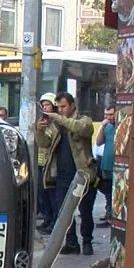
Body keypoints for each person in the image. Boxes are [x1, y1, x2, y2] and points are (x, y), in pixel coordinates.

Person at [43, 92, 97, 255]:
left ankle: (87, 241)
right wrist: (40, 129)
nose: (61, 110)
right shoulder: (56, 125)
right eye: (58, 107)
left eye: (64, 106)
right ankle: (71, 242)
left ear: (72, 105)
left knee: (85, 210)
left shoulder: (83, 120)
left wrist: (58, 118)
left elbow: (83, 129)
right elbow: (44, 143)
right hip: (62, 175)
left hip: (82, 173)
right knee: (63, 211)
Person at [33, 93, 58, 233]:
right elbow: (41, 143)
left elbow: (50, 142)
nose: (45, 108)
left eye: (47, 105)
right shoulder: (43, 121)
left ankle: (53, 222)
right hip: (42, 163)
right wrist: (39, 129)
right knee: (43, 195)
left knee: (53, 196)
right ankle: (47, 219)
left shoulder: (57, 123)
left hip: (53, 165)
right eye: (43, 106)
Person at [94, 106, 116, 225]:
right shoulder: (107, 126)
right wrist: (102, 126)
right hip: (106, 163)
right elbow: (98, 142)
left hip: (116, 164)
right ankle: (108, 213)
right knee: (107, 190)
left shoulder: (120, 126)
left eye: (110, 114)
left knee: (114, 191)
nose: (108, 117)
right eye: (106, 115)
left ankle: (112, 215)